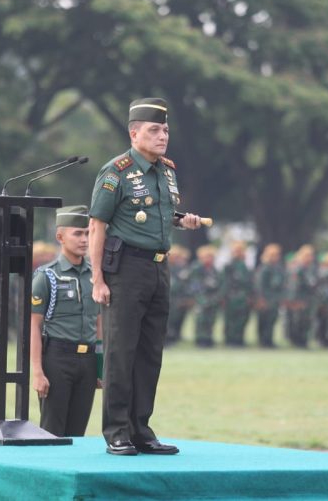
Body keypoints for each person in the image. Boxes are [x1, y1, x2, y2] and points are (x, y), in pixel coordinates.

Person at [89, 97, 202, 456]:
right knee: (121, 352)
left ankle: (141, 429)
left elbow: (159, 213)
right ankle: (117, 431)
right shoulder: (116, 172)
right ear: (134, 133)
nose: (162, 136)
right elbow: (97, 226)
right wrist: (97, 279)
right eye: (154, 130)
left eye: (165, 130)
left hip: (158, 267)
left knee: (150, 352)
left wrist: (182, 220)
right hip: (124, 270)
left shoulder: (167, 171)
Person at [30, 205, 102, 437]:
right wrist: (38, 372)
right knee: (52, 431)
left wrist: (100, 367)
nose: (84, 239)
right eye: (77, 233)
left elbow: (98, 322)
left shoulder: (96, 274)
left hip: (88, 360)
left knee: (78, 433)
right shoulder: (47, 275)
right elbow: (33, 326)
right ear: (60, 237)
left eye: (88, 233)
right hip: (57, 359)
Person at [189, 244, 222, 348]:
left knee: (211, 319)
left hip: (212, 300)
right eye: (207, 257)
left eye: (211, 257)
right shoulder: (196, 268)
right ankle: (200, 339)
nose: (209, 259)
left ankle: (208, 338)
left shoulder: (215, 270)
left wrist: (215, 298)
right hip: (200, 299)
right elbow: (194, 285)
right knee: (201, 319)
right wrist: (202, 300)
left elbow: (219, 285)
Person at [253, 243, 285, 348]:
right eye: (274, 255)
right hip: (265, 299)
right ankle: (263, 341)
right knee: (263, 320)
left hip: (274, 299)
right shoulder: (264, 268)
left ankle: (269, 340)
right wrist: (261, 299)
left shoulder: (278, 268)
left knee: (272, 320)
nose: (276, 257)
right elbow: (259, 285)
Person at [222, 240, 253, 347]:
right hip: (231, 297)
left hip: (243, 298)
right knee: (230, 319)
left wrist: (250, 296)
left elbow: (249, 283)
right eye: (236, 250)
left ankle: (239, 339)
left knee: (242, 319)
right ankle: (229, 340)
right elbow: (224, 283)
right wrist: (224, 297)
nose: (238, 253)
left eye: (240, 251)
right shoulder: (228, 266)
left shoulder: (245, 266)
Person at [165, 245, 193, 346]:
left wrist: (187, 298)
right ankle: (166, 339)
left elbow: (187, 284)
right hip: (167, 298)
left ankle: (174, 337)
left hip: (178, 299)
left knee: (176, 319)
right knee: (166, 320)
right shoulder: (165, 266)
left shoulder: (182, 268)